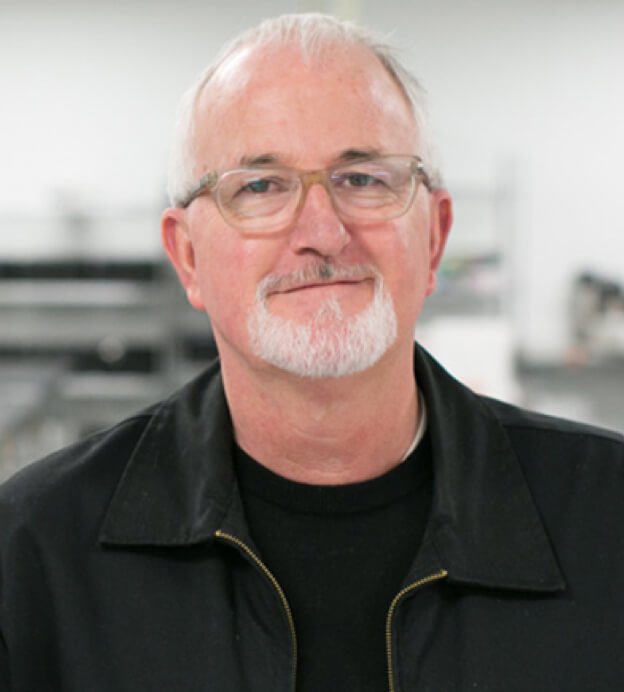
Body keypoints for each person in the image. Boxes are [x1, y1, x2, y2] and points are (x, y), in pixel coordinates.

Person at [1, 13, 623, 692]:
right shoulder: (33, 555)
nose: (324, 233)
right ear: (187, 257)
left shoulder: (607, 520)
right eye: (259, 187)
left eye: (364, 179)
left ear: (436, 237)